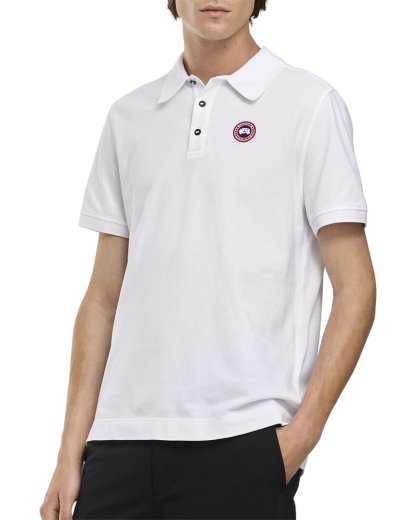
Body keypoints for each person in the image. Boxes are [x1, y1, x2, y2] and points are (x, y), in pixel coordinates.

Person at [40, 0, 377, 518]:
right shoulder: (128, 118)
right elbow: (103, 299)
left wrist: (299, 438)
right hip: (119, 443)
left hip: (245, 441)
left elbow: (355, 287)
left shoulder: (309, 104)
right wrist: (69, 453)